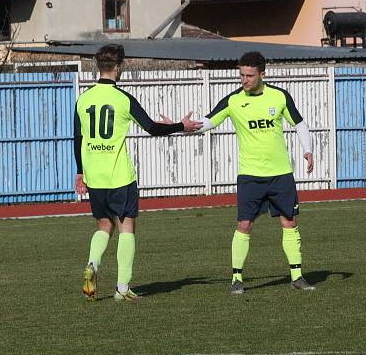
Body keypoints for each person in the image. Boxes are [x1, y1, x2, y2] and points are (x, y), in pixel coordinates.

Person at [75, 44, 202, 301]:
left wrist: (80, 172)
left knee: (103, 224)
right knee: (127, 227)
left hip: (94, 175)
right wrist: (180, 125)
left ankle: (93, 265)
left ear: (98, 67)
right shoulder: (123, 99)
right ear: (118, 67)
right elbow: (152, 128)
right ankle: (123, 288)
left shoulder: (83, 99)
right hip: (119, 175)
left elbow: (77, 138)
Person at [193, 51, 316, 295]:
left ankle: (297, 276)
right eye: (241, 75)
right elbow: (207, 122)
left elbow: (299, 123)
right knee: (244, 224)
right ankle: (237, 279)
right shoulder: (233, 101)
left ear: (262, 74)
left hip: (281, 174)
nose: (244, 80)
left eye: (250, 75)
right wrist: (178, 127)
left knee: (289, 222)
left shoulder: (279, 96)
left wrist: (308, 150)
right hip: (250, 176)